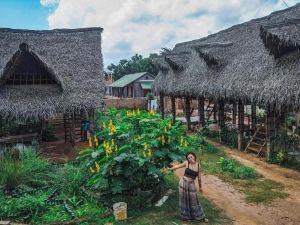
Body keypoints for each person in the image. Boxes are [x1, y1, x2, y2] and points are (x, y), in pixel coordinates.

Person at [169, 152, 208, 222]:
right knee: (184, 200)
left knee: (194, 200)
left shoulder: (198, 166)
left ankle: (200, 216)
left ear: (194, 157)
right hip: (183, 183)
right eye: (188, 158)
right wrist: (170, 169)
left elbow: (199, 178)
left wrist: (200, 187)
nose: (190, 159)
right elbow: (178, 166)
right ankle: (186, 217)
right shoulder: (186, 163)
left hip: (191, 184)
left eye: (191, 157)